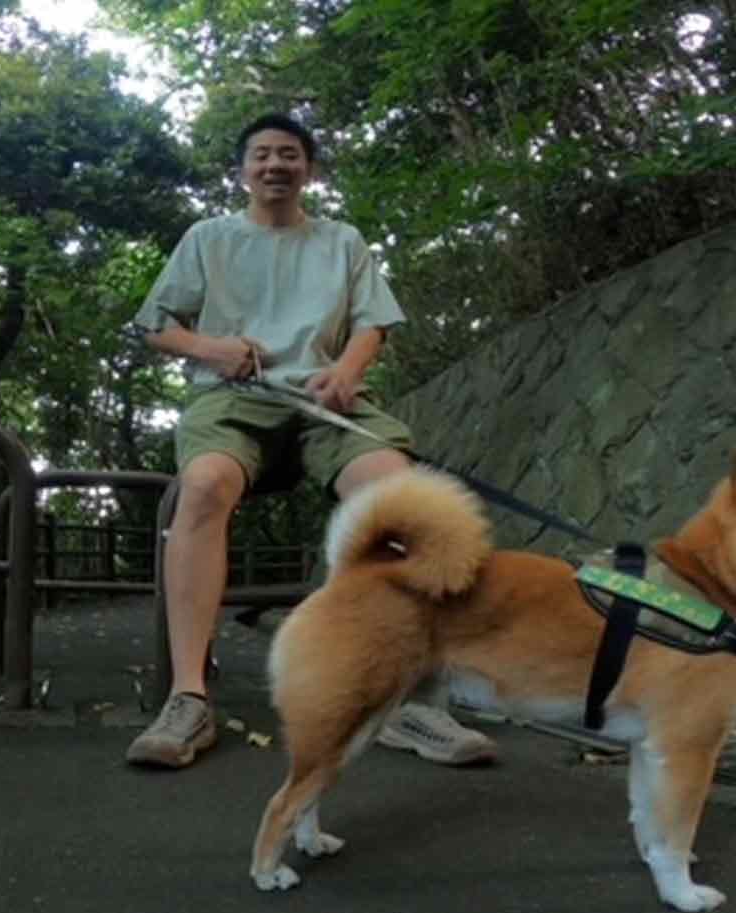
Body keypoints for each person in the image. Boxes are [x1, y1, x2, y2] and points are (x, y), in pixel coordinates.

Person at [126, 112, 498, 770]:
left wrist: (347, 371)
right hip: (232, 400)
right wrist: (211, 347)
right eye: (262, 155)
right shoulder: (208, 238)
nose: (275, 165)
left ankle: (405, 701)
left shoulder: (341, 240)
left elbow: (372, 323)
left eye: (289, 155)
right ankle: (188, 698)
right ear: (242, 171)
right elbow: (156, 326)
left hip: (327, 403)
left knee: (400, 497)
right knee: (205, 485)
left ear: (309, 169)